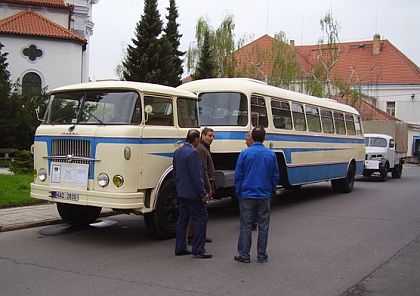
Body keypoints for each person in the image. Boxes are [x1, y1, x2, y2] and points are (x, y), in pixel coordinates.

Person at [234, 126, 279, 263]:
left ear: (252, 137)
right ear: (264, 138)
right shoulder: (271, 154)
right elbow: (275, 176)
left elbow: (239, 175)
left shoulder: (244, 153)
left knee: (246, 226)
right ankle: (262, 256)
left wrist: (239, 191)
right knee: (263, 226)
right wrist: (271, 191)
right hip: (264, 194)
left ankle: (244, 255)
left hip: (247, 194)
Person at [173, 129, 212, 259]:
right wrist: (203, 193)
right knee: (201, 218)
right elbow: (197, 176)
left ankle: (180, 247)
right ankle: (198, 249)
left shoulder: (177, 152)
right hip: (193, 194)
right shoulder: (193, 153)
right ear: (196, 140)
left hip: (182, 192)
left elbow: (175, 173)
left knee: (182, 220)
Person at [188, 127, 215, 244]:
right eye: (209, 136)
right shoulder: (201, 149)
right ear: (202, 136)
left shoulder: (204, 148)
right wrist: (207, 189)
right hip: (201, 186)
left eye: (213, 136)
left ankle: (198, 236)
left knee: (199, 213)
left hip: (202, 185)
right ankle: (195, 237)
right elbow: (203, 170)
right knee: (199, 214)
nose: (211, 138)